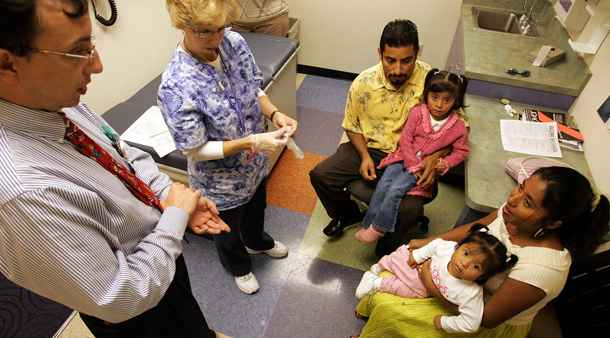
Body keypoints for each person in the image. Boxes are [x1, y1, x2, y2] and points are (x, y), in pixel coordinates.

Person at [0, 1, 230, 337]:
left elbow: (122, 153)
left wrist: (167, 196)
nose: (97, 66)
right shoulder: (24, 192)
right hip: (136, 310)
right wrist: (174, 218)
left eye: (91, 45)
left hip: (158, 256)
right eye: (78, 52)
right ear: (7, 62)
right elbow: (120, 297)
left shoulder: (57, 102)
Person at [354, 167, 610, 337]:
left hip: (479, 315)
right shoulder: (515, 214)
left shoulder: (542, 269)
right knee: (396, 265)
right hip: (461, 285)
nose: (512, 199)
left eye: (528, 202)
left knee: (391, 308)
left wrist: (430, 282)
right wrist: (429, 242)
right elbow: (475, 229)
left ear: (553, 223)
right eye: (521, 187)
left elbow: (485, 319)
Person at [160, 0, 298, 295]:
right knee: (226, 228)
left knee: (256, 207)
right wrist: (251, 142)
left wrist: (274, 113)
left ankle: (258, 242)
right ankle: (238, 265)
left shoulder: (233, 43)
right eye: (205, 32)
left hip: (255, 164)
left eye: (221, 28)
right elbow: (194, 151)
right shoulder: (176, 84)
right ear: (182, 25)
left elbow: (253, 89)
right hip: (219, 182)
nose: (216, 39)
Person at [309, 19, 469, 257]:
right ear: (380, 53)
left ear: (417, 53)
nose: (398, 70)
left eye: (407, 61)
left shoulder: (431, 80)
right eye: (390, 60)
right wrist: (363, 156)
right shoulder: (363, 83)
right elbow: (352, 125)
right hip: (371, 148)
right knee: (321, 175)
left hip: (415, 155)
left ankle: (388, 242)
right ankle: (347, 213)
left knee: (411, 211)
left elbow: (458, 126)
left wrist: (436, 156)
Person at [355, 69, 470, 243]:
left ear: (455, 101)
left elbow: (462, 151)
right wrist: (412, 164)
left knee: (395, 189)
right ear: (427, 94)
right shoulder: (418, 113)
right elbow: (406, 140)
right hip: (403, 159)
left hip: (423, 168)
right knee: (384, 184)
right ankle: (368, 223)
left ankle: (379, 228)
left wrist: (445, 163)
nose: (439, 105)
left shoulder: (458, 127)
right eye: (435, 97)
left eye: (447, 100)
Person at [355, 224, 518, 334]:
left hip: (423, 288)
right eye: (466, 253)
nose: (464, 263)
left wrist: (445, 323)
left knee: (412, 291)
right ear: (459, 246)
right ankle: (379, 268)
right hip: (426, 267)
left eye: (476, 266)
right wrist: (418, 256)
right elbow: (435, 244)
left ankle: (375, 282)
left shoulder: (470, 292)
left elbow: (471, 324)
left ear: (482, 276)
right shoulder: (448, 249)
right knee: (403, 254)